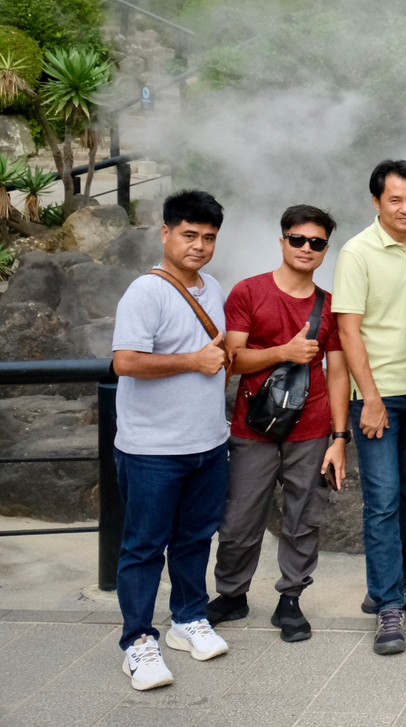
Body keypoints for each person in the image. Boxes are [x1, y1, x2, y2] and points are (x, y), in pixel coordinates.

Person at [207, 205, 348, 645]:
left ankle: (291, 597)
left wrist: (339, 437)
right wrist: (283, 352)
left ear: (325, 249)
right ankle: (232, 593)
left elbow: (338, 372)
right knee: (239, 516)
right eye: (298, 239)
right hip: (255, 425)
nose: (306, 248)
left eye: (317, 243)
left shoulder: (329, 306)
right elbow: (233, 360)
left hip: (312, 427)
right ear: (282, 241)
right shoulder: (249, 292)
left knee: (304, 516)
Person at [111, 190, 233, 690]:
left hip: (208, 443)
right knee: (143, 547)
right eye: (189, 235)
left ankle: (188, 618)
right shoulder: (146, 292)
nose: (199, 245)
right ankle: (138, 642)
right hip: (152, 449)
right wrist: (193, 361)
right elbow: (125, 362)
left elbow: (220, 354)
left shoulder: (214, 288)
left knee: (195, 538)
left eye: (208, 237)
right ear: (165, 234)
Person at [333, 159, 406, 656]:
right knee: (382, 501)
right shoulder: (356, 253)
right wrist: (371, 398)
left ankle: (387, 587)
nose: (405, 208)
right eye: (395, 199)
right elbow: (348, 330)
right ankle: (389, 606)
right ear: (376, 201)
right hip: (378, 399)